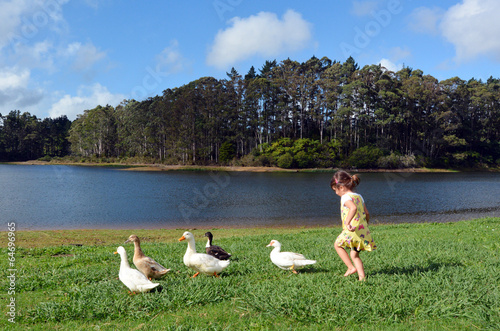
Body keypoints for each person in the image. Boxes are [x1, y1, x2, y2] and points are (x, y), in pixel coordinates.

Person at [331, 170, 376, 281]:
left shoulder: (345, 197)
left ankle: (351, 267)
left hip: (352, 229)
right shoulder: (359, 196)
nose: (336, 193)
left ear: (341, 187)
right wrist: (366, 225)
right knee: (354, 255)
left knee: (337, 245)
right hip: (362, 230)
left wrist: (347, 222)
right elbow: (367, 213)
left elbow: (353, 208)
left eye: (335, 190)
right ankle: (362, 278)